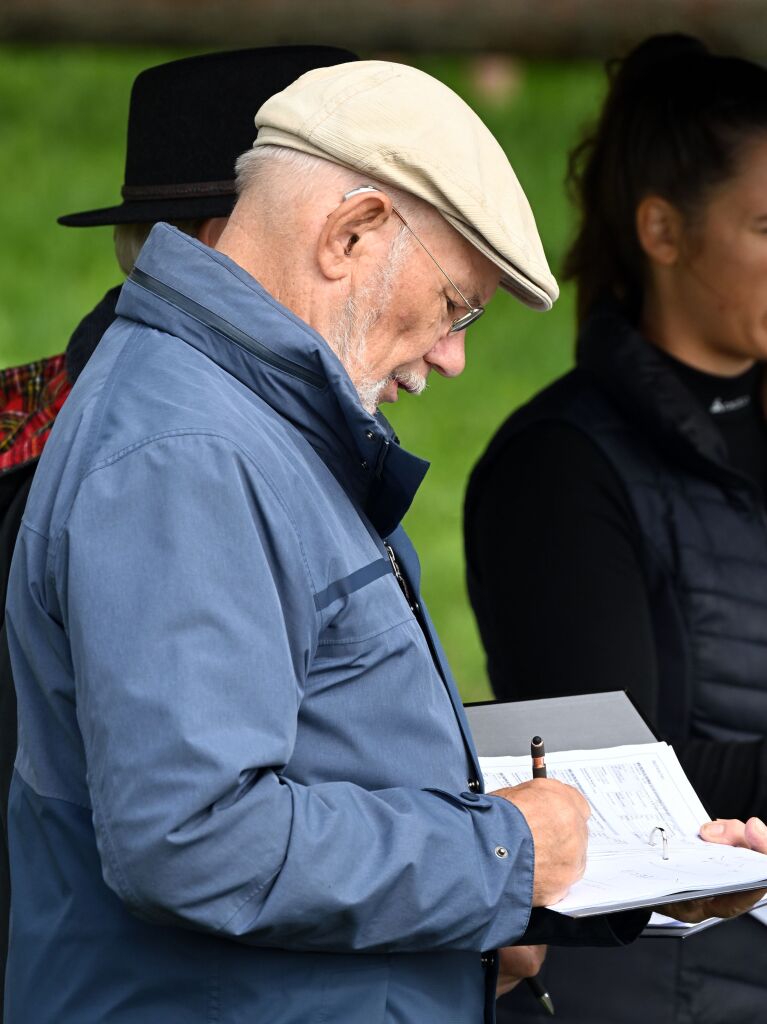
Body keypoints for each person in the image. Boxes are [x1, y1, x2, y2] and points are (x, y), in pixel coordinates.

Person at [4, 56, 760, 1024]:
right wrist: (506, 852)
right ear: (350, 233)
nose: (451, 357)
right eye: (455, 308)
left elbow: (319, 770)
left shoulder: (240, 421)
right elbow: (192, 840)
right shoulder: (191, 453)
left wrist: (556, 892)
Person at [0, 44, 357, 1016]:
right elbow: (191, 836)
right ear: (228, 241)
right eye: (352, 236)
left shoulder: (238, 430)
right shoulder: (170, 464)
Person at [465, 34, 767, 1023]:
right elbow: (604, 770)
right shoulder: (557, 466)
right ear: (661, 231)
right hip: (652, 986)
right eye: (766, 224)